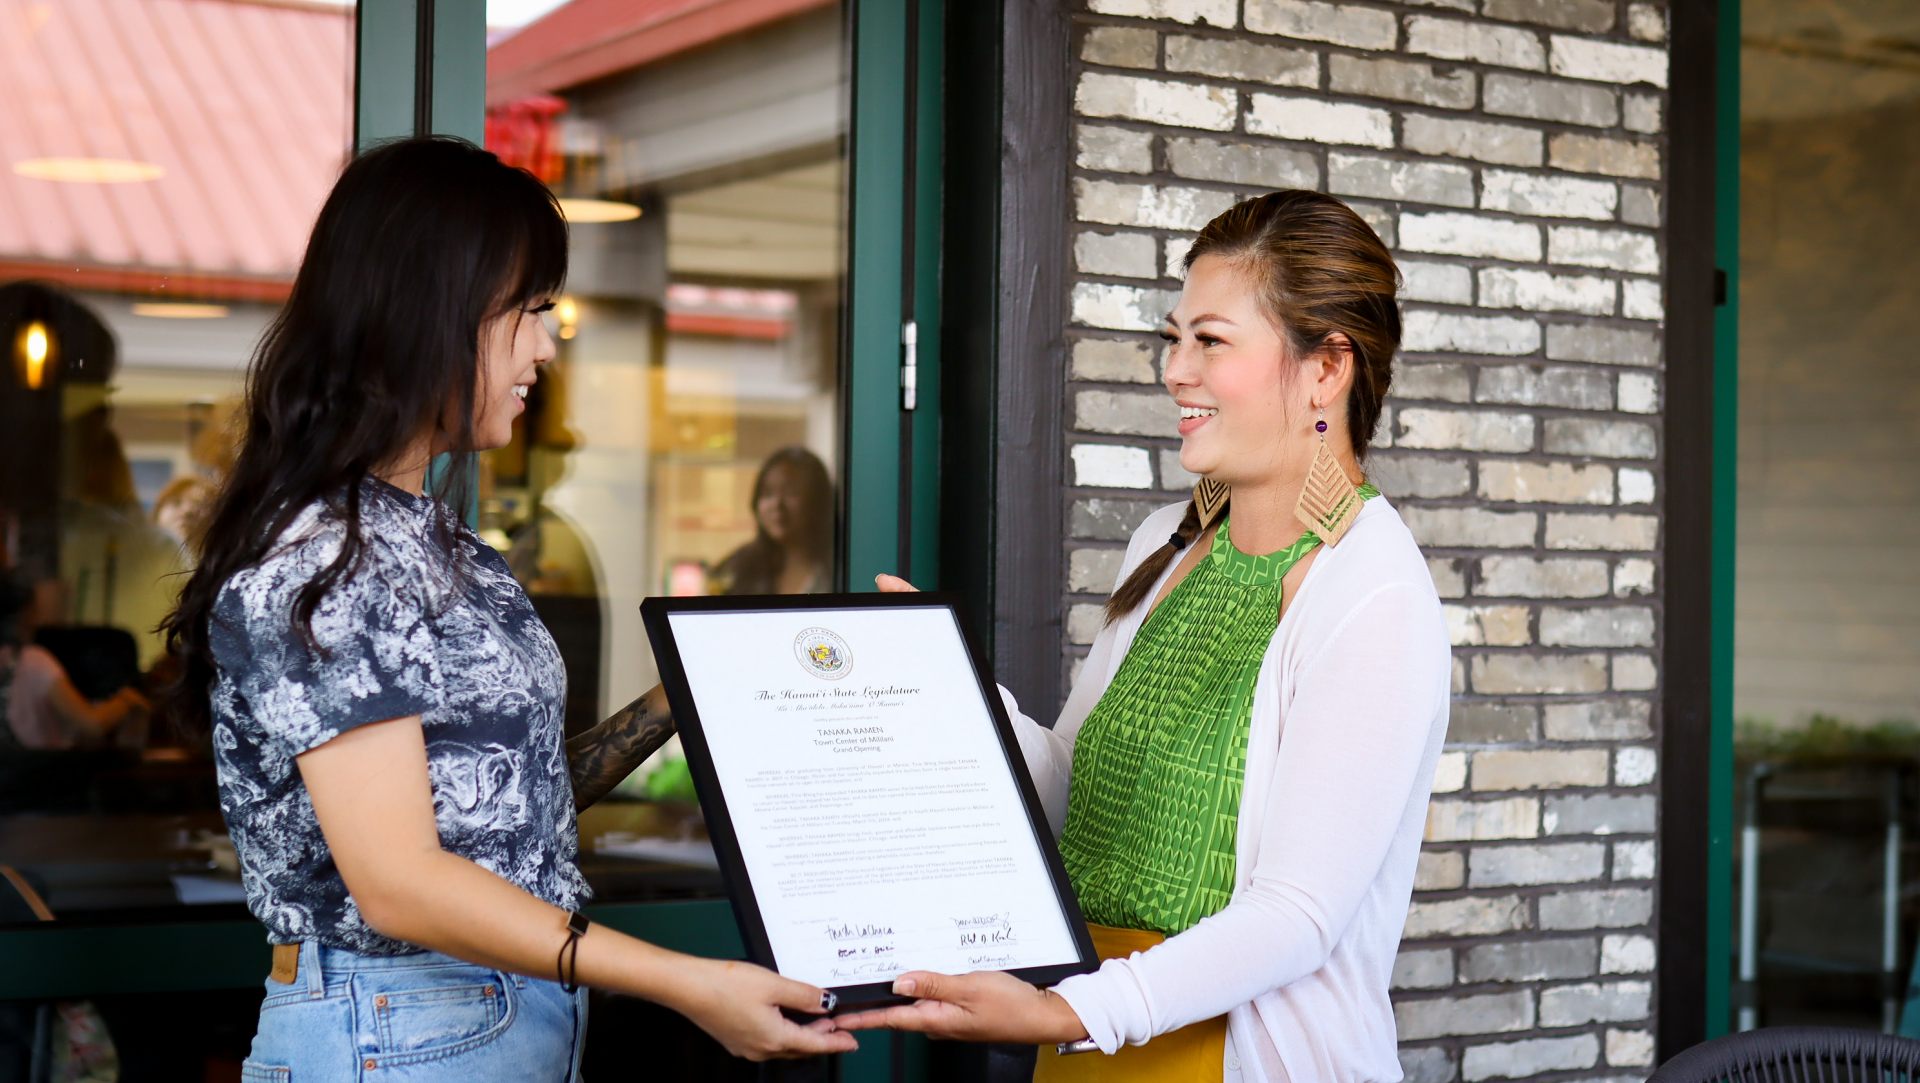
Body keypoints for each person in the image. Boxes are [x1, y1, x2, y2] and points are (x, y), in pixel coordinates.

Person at [159, 137, 854, 1079]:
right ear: (428, 313)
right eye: (528, 312)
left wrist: (683, 695)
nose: (547, 344)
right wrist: (685, 982)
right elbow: (401, 882)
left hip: (484, 1016)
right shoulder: (321, 553)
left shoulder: (432, 538)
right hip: (397, 1024)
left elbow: (503, 800)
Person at [848, 190, 1452, 1082]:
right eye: (1175, 338)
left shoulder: (1373, 592)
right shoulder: (1169, 547)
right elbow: (1074, 798)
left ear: (1326, 368)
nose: (1175, 369)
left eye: (1210, 341)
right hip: (1099, 1047)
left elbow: (1297, 913)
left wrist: (1070, 1008)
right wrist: (956, 692)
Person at [0, 572, 148, 751]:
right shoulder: (33, 660)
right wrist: (128, 698)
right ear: (26, 614)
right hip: (34, 774)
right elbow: (92, 724)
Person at [711, 446, 834, 596]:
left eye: (791, 492)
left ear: (817, 500)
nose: (777, 505)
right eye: (768, 493)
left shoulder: (838, 569)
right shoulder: (737, 569)